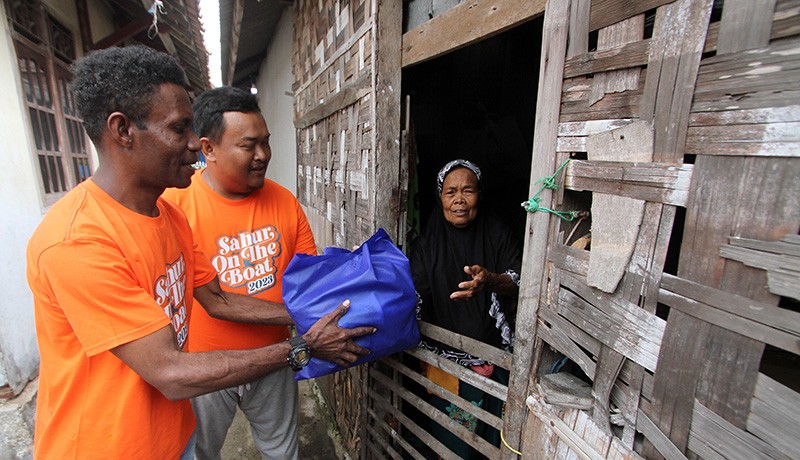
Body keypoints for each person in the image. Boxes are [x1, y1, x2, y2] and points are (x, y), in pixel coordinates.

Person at [25, 45, 374, 460]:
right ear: (122, 131)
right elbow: (170, 372)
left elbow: (218, 298)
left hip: (173, 436)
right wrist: (303, 347)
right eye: (179, 128)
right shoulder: (78, 241)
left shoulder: (168, 215)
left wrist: (311, 316)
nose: (195, 144)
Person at [161, 86, 312, 459]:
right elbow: (213, 301)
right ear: (208, 148)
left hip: (274, 359)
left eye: (266, 142)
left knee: (282, 452)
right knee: (200, 452)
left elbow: (309, 278)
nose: (262, 155)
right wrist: (304, 318)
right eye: (248, 146)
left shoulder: (284, 201)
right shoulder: (174, 207)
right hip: (206, 367)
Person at [409, 159, 521, 459]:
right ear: (440, 197)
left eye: (468, 190)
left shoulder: (497, 233)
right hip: (445, 364)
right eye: (450, 192)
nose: (459, 199)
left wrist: (492, 280)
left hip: (494, 360)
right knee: (453, 444)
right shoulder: (425, 245)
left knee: (492, 441)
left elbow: (518, 279)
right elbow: (413, 297)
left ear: (479, 195)